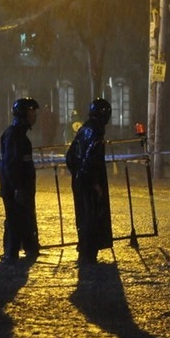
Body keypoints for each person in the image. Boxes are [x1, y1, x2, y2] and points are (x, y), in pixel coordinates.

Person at [65, 98, 113, 265]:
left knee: (83, 216)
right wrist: (94, 183)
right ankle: (89, 252)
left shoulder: (84, 129)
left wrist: (77, 174)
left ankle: (85, 248)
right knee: (92, 217)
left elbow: (70, 156)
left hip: (79, 180)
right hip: (89, 182)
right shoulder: (95, 133)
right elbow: (91, 160)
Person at [0, 97, 41, 263]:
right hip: (15, 189)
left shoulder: (19, 134)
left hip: (21, 187)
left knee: (24, 219)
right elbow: (11, 164)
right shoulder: (14, 135)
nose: (34, 116)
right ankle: (11, 253)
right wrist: (17, 187)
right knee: (15, 221)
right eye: (31, 112)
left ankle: (28, 247)